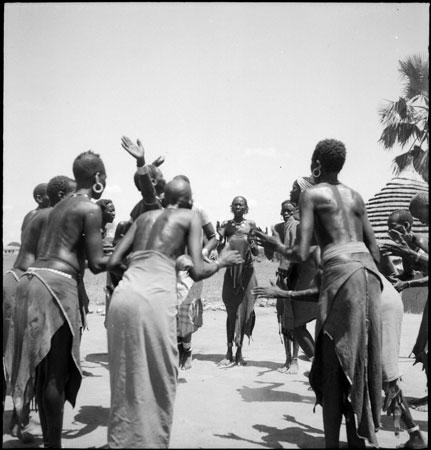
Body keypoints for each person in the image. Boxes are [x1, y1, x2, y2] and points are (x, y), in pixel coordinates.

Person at [255, 139, 382, 448]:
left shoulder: (312, 194)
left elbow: (298, 251)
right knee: (359, 361)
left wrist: (275, 247)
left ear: (316, 165)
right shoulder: (356, 196)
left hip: (342, 274)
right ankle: (358, 441)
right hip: (368, 274)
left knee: (331, 365)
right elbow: (376, 252)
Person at [106, 177, 243, 448]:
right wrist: (221, 262)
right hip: (155, 301)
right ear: (189, 200)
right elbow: (198, 270)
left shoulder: (144, 219)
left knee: (125, 380)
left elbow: (113, 261)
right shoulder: (190, 217)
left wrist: (142, 274)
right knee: (160, 380)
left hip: (123, 297)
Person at [7, 151, 109, 448]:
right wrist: (132, 255)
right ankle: (53, 445)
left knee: (42, 370)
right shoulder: (89, 208)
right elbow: (97, 262)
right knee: (56, 373)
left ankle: (47, 438)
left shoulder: (57, 206)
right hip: (55, 286)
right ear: (99, 178)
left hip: (30, 281)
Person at [3, 175, 76, 442]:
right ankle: (22, 422)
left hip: (14, 279)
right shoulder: (53, 216)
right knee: (39, 363)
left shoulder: (32, 215)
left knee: (15, 357)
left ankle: (17, 418)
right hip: (31, 283)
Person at [382, 194, 429, 413]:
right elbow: (409, 274)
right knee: (420, 349)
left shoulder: (418, 241)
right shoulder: (405, 244)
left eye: (395, 227)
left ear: (407, 225)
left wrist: (408, 283)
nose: (423, 222)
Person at [173, 174, 219, 370]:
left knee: (186, 309)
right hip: (173, 268)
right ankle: (177, 351)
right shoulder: (169, 211)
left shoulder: (198, 210)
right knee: (172, 310)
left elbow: (213, 237)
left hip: (193, 268)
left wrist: (203, 251)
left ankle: (187, 352)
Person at [217, 196, 259, 366]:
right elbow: (221, 250)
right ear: (231, 207)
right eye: (235, 205)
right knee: (231, 312)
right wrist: (219, 239)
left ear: (246, 207)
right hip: (231, 273)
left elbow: (256, 252)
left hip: (247, 273)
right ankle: (228, 352)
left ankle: (240, 351)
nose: (238, 207)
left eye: (241, 205)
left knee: (244, 312)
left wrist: (252, 242)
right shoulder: (226, 225)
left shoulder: (251, 225)